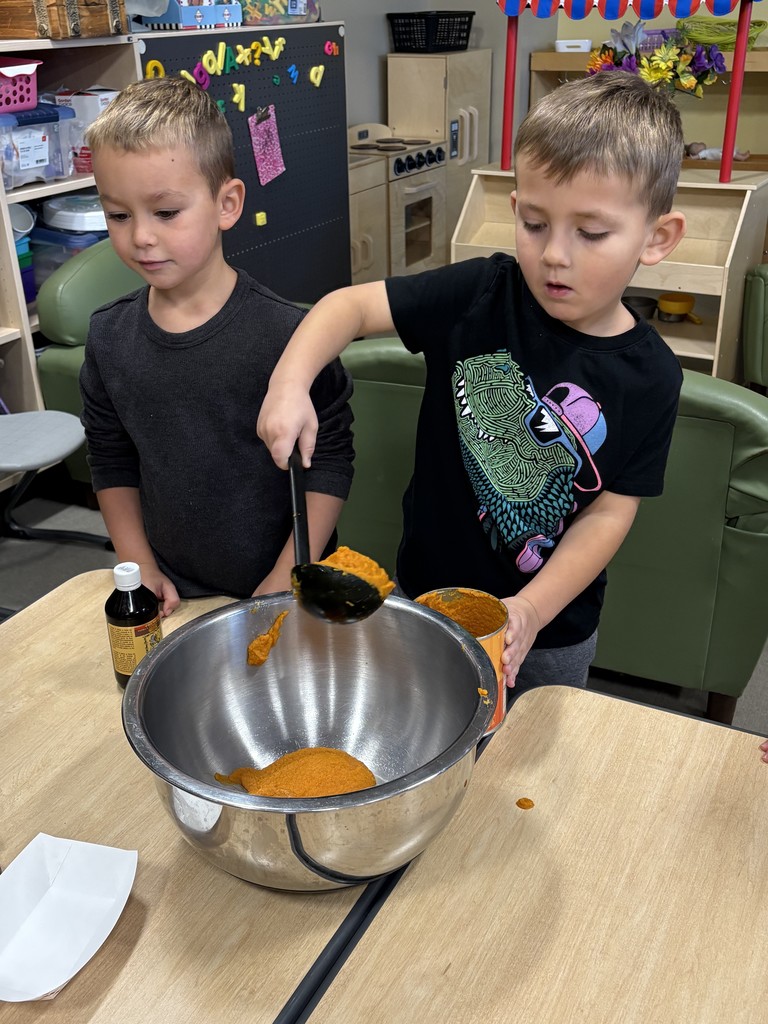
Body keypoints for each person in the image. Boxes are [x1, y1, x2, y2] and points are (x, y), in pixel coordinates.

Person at [257, 71, 687, 691]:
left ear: (657, 237)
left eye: (591, 233)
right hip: (427, 597)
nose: (555, 255)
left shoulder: (651, 377)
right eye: (535, 224)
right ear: (514, 208)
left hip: (548, 627)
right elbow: (345, 308)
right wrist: (289, 383)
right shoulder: (480, 293)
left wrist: (534, 608)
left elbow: (609, 516)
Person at [80, 77, 353, 615]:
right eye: (118, 215)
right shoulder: (109, 337)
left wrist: (283, 578)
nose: (140, 237)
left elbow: (330, 461)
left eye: (165, 213)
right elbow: (110, 461)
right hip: (175, 595)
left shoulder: (290, 337)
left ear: (227, 204)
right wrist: (140, 569)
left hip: (287, 588)